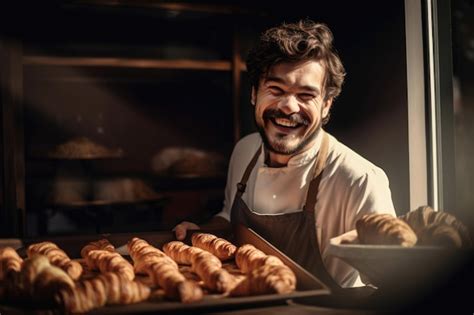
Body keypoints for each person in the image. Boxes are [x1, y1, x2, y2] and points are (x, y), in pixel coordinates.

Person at [173, 19, 395, 289]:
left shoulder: (359, 179)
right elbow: (229, 220)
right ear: (254, 94)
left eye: (306, 95)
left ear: (326, 105)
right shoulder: (245, 151)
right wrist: (206, 231)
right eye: (276, 90)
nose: (289, 107)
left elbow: (389, 283)